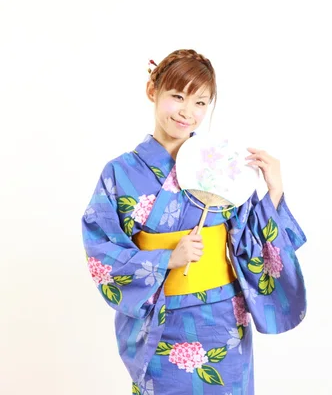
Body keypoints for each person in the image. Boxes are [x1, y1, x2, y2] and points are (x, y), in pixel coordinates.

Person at [81, 49, 307, 395]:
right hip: (161, 321)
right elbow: (101, 251)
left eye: (201, 103)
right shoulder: (120, 173)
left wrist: (274, 191)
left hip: (223, 321)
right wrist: (166, 258)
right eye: (177, 97)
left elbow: (250, 243)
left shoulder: (219, 165)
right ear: (152, 91)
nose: (188, 112)